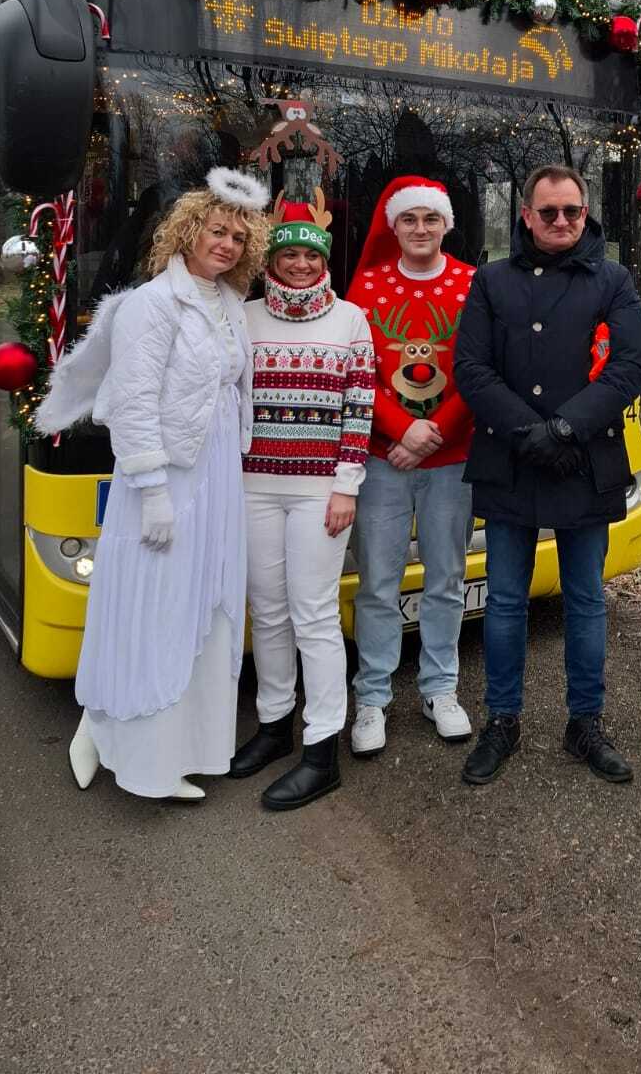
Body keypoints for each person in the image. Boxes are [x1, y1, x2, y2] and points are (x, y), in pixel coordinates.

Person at [37, 167, 270, 801]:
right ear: (187, 232)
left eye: (238, 238)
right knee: (154, 609)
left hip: (217, 475)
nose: (226, 244)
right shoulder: (152, 304)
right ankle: (134, 750)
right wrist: (154, 491)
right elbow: (134, 401)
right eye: (216, 231)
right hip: (164, 478)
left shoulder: (227, 305)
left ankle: (175, 744)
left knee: (203, 606)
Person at [454, 164, 641, 787]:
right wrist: (528, 433)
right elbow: (472, 369)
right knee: (506, 602)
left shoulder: (614, 281)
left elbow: (627, 367)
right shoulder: (492, 281)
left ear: (585, 213)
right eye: (548, 212)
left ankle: (584, 723)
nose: (561, 222)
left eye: (572, 211)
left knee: (587, 602)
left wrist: (565, 430)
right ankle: (502, 720)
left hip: (583, 459)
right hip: (510, 458)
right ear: (526, 217)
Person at [228, 189, 375, 810]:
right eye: (288, 255)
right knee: (268, 611)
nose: (299, 265)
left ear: (324, 264)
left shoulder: (350, 321)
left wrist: (347, 485)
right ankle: (273, 726)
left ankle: (322, 750)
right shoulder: (244, 316)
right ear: (273, 260)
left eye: (310, 258)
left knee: (313, 614)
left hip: (321, 493)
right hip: (254, 487)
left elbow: (359, 407)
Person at [343, 177, 477, 757]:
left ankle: (439, 688)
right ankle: (372, 697)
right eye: (409, 220)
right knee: (378, 581)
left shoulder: (474, 285)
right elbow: (354, 372)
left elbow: (481, 368)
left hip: (452, 459)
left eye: (431, 219)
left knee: (447, 578)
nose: (420, 229)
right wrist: (401, 430)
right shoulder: (366, 289)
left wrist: (433, 433)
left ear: (446, 225)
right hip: (382, 458)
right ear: (393, 226)